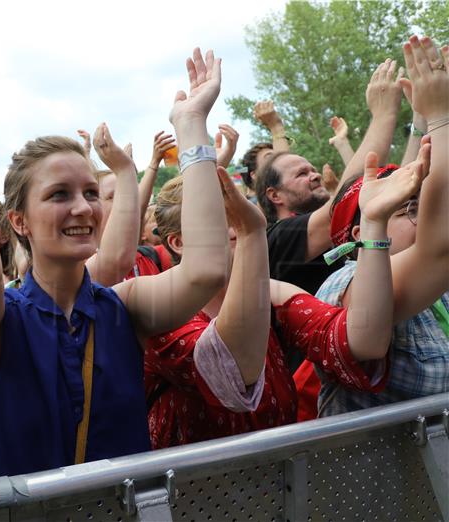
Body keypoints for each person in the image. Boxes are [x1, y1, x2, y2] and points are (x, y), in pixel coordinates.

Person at [0, 5, 229, 478]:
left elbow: (208, 268)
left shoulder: (123, 306)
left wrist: (192, 125)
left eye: (91, 192)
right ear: (18, 221)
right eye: (58, 195)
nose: (83, 208)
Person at [145, 147, 425, 447]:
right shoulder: (161, 308)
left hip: (279, 486)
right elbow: (233, 371)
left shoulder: (273, 295)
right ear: (178, 243)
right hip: (192, 489)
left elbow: (364, 342)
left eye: (238, 209)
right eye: (219, 216)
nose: (238, 223)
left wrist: (373, 223)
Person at [308, 35, 449, 416]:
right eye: (407, 211)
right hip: (372, 475)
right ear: (359, 235)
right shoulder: (344, 282)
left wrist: (426, 120)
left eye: (424, 206)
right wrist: (441, 116)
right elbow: (440, 245)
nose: (426, 218)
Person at [255, 59, 406, 296]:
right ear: (274, 195)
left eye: (312, 169)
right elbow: (337, 211)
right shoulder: (277, 238)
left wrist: (420, 117)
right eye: (301, 174)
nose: (314, 175)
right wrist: (384, 114)